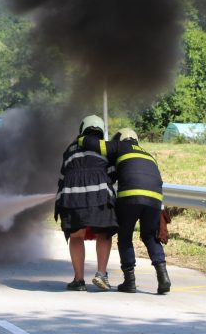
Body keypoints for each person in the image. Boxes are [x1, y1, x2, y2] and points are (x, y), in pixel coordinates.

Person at [78, 127, 171, 294]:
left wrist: (79, 140)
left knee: (125, 236)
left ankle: (130, 281)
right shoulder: (148, 155)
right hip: (155, 199)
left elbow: (96, 145)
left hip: (130, 197)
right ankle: (163, 278)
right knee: (150, 236)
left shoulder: (121, 147)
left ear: (120, 139)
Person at [54, 115, 118, 291]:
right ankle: (101, 274)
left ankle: (79, 280)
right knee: (104, 234)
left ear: (82, 129)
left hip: (73, 197)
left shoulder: (70, 149)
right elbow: (112, 175)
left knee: (76, 236)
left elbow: (62, 177)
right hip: (100, 196)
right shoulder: (104, 148)